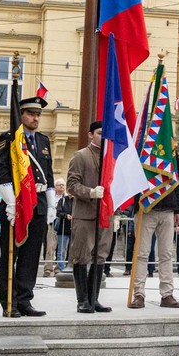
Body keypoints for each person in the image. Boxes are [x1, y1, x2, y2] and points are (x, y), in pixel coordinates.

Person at [0, 92, 54, 318]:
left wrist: (50, 205)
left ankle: (25, 300)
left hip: (37, 204)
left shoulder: (43, 141)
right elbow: (1, 172)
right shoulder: (9, 138)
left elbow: (47, 175)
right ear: (20, 115)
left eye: (38, 114)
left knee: (30, 257)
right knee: (11, 255)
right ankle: (9, 302)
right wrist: (10, 201)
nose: (35, 118)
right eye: (31, 114)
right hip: (16, 204)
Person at [67, 121, 112, 314]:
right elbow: (71, 185)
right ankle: (82, 300)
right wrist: (90, 192)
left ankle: (94, 298)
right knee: (82, 256)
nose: (103, 137)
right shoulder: (81, 156)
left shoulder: (111, 157)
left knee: (100, 256)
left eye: (105, 133)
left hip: (105, 214)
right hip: (85, 214)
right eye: (100, 133)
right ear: (90, 134)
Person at [128, 178, 179, 309]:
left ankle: (167, 295)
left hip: (168, 209)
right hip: (145, 208)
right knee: (141, 254)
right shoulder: (141, 155)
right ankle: (139, 294)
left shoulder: (171, 156)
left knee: (166, 254)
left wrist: (177, 210)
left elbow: (177, 180)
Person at [52, 179, 72, 272]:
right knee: (61, 249)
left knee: (71, 249)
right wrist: (66, 216)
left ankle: (70, 266)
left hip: (73, 228)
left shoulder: (77, 201)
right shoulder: (63, 200)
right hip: (63, 228)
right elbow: (58, 212)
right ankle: (61, 266)